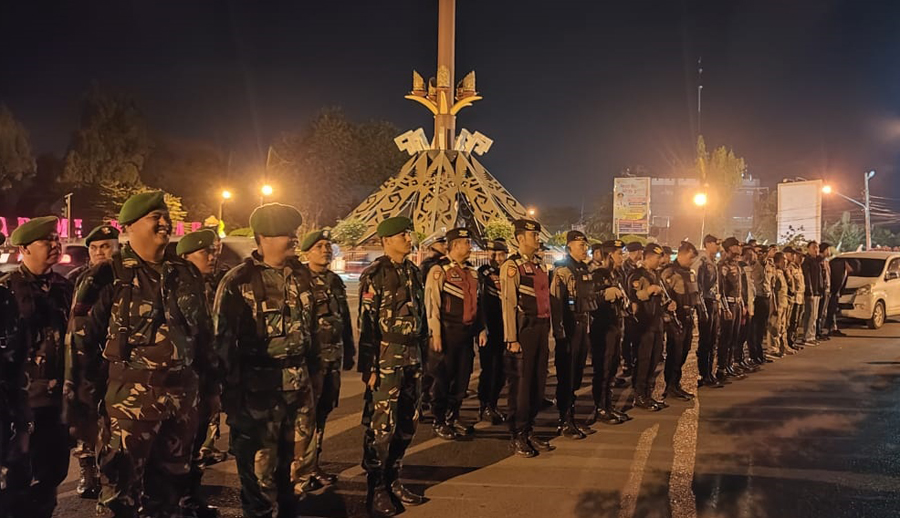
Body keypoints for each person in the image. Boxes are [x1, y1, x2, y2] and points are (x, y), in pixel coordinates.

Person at [67, 192, 218, 518]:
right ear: (129, 227)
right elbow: (80, 347)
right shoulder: (106, 276)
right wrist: (82, 408)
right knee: (119, 498)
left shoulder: (186, 273)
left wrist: (210, 392)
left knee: (168, 497)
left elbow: (204, 338)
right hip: (128, 408)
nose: (164, 223)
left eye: (165, 216)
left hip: (181, 403)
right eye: (155, 217)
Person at [214, 204, 321, 518]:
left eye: (292, 232)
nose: (292, 238)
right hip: (258, 393)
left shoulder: (302, 276)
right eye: (284, 233)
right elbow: (222, 342)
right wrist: (229, 395)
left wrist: (317, 376)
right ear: (263, 238)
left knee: (299, 468)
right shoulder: (238, 282)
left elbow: (314, 331)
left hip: (299, 388)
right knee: (260, 472)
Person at [0, 218, 72, 518]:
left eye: (57, 239)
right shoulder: (6, 290)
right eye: (46, 241)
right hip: (21, 402)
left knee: (53, 472)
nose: (55, 246)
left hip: (58, 400)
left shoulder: (66, 288)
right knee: (17, 479)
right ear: (23, 249)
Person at [357, 216, 428, 517]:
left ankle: (394, 477)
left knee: (407, 422)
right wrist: (368, 367)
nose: (408, 239)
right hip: (387, 357)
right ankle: (376, 489)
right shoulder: (374, 274)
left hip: (413, 356)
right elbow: (366, 324)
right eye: (402, 235)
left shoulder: (413, 271)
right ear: (387, 241)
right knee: (381, 426)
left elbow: (421, 315)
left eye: (408, 234)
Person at [64, 224, 120, 500]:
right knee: (85, 415)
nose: (100, 253)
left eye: (106, 246)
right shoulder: (77, 279)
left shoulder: (123, 278)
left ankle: (112, 475)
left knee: (112, 421)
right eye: (94, 248)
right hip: (85, 357)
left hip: (114, 358)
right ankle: (88, 470)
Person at [300, 228, 356, 486]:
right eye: (319, 246)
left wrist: (350, 350)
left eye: (328, 245)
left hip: (332, 359)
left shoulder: (335, 281)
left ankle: (313, 466)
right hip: (310, 362)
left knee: (322, 414)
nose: (325, 249)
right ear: (307, 252)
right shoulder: (300, 280)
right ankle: (299, 469)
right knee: (303, 418)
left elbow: (343, 319)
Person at [177, 228, 224, 518]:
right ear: (186, 256)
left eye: (214, 251)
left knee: (198, 445)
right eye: (205, 252)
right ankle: (178, 500)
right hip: (183, 380)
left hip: (206, 376)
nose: (212, 257)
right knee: (179, 445)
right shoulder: (176, 286)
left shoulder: (215, 284)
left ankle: (191, 498)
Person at [425, 227, 485, 440]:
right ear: (454, 245)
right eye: (466, 243)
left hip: (466, 334)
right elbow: (432, 304)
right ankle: (439, 420)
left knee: (462, 378)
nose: (469, 247)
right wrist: (436, 333)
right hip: (447, 334)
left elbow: (478, 304)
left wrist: (481, 329)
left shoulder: (471, 272)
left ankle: (453, 416)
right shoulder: (440, 271)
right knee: (443, 379)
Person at [501, 219, 554, 458]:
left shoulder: (540, 265)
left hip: (541, 329)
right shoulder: (512, 267)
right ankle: (517, 434)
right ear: (520, 238)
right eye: (533, 236)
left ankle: (529, 428)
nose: (537, 239)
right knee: (521, 386)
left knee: (536, 383)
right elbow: (509, 304)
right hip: (524, 330)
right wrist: (511, 337)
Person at [550, 231, 598, 439]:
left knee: (577, 374)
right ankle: (565, 419)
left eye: (585, 245)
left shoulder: (584, 269)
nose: (584, 248)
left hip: (582, 326)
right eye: (580, 245)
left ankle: (572, 416)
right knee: (566, 376)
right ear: (569, 246)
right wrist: (559, 331)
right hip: (568, 328)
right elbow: (555, 303)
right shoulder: (562, 270)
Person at [586, 239, 631, 425]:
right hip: (602, 328)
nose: (622, 257)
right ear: (609, 255)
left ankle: (608, 404)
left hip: (615, 325)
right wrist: (605, 295)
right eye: (619, 253)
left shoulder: (615, 275)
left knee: (612, 367)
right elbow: (590, 301)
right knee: (602, 369)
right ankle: (601, 407)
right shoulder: (598, 275)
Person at [627, 243, 675, 411]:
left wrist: (668, 304)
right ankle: (639, 395)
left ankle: (648, 394)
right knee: (643, 360)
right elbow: (632, 297)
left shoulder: (656, 275)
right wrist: (648, 291)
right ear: (647, 257)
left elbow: (661, 298)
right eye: (657, 257)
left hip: (656, 322)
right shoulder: (637, 275)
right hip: (643, 324)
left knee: (655, 359)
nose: (660, 260)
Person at [660, 241, 705, 401]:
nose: (691, 261)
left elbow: (695, 295)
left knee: (684, 351)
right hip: (675, 319)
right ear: (682, 254)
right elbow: (663, 297)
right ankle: (670, 385)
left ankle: (676, 384)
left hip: (688, 317)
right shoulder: (670, 272)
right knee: (675, 352)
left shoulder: (690, 272)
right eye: (690, 257)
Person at [476, 239, 508, 425]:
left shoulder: (508, 272)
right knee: (489, 368)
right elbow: (480, 303)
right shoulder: (483, 274)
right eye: (492, 254)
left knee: (502, 370)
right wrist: (481, 328)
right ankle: (485, 405)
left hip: (506, 328)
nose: (495, 258)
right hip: (489, 328)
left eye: (499, 254)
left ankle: (493, 403)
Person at [696, 235, 724, 389]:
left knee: (713, 339)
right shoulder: (703, 263)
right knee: (705, 341)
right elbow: (699, 287)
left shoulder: (713, 262)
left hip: (714, 302)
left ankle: (710, 372)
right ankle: (703, 373)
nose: (718, 246)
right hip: (706, 302)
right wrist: (702, 309)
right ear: (707, 244)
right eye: (715, 243)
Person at [717, 237, 745, 381]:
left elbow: (740, 288)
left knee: (735, 337)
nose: (739, 249)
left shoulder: (737, 265)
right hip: (728, 305)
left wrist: (743, 305)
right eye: (737, 246)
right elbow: (720, 290)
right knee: (725, 338)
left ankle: (729, 364)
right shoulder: (723, 266)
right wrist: (725, 308)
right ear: (729, 248)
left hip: (738, 305)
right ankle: (721, 368)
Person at [620, 241, 643, 379]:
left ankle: (634, 360)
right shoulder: (625, 267)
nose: (639, 255)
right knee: (627, 336)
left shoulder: (638, 266)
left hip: (638, 305)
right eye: (637, 252)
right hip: (628, 306)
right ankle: (627, 362)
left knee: (636, 336)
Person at [826, 257, 858, 337]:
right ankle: (830, 328)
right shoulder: (838, 268)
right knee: (830, 311)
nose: (851, 271)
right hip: (832, 293)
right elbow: (835, 281)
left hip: (836, 293)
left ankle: (833, 328)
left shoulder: (845, 271)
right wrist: (834, 292)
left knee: (834, 311)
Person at [768, 252, 790, 358]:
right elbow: (774, 290)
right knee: (774, 327)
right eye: (783, 260)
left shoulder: (782, 272)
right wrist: (775, 306)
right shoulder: (775, 273)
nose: (785, 262)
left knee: (782, 327)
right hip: (778, 304)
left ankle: (782, 347)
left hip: (784, 303)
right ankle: (773, 349)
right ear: (777, 261)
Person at [800, 241, 823, 347]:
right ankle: (807, 336)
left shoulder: (817, 261)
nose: (816, 250)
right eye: (814, 248)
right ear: (808, 249)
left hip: (817, 291)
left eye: (817, 248)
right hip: (811, 292)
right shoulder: (807, 262)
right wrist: (810, 291)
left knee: (815, 315)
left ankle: (812, 335)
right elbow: (807, 277)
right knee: (810, 315)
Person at [784, 247, 806, 352]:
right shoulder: (790, 267)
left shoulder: (799, 267)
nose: (801, 258)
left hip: (800, 297)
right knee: (791, 321)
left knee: (797, 322)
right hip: (793, 297)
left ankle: (793, 340)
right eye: (798, 256)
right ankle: (789, 341)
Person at [817, 243, 833, 340]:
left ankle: (821, 330)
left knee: (824, 312)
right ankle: (818, 332)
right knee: (820, 312)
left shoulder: (826, 261)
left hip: (827, 289)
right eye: (828, 249)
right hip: (822, 290)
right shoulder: (820, 261)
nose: (829, 251)